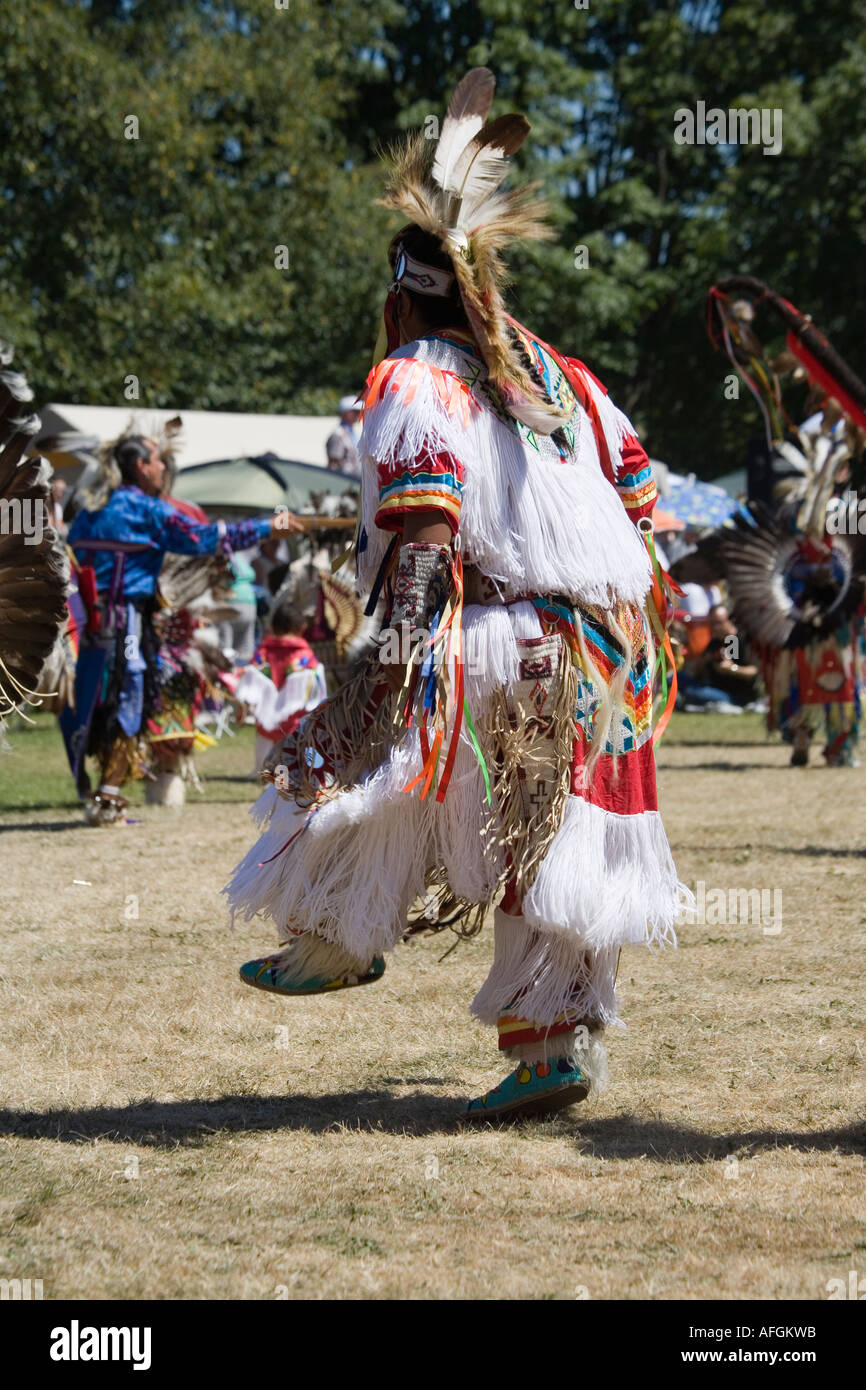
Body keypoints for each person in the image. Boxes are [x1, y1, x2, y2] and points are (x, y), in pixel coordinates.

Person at [227, 69, 686, 1122]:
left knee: (385, 765)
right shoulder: (566, 378)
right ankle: (549, 1041)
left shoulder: (412, 378)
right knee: (546, 846)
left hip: (487, 628)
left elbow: (427, 529)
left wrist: (388, 654)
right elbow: (641, 501)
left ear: (399, 294)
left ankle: (333, 941)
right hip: (598, 657)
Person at [65, 435, 303, 823]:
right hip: (127, 623)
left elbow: (75, 549)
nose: (163, 468)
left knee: (95, 700)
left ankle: (100, 791)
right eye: (158, 461)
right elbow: (202, 538)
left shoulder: (92, 508)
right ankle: (107, 798)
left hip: (88, 624)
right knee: (129, 697)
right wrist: (265, 528)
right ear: (141, 466)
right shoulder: (146, 510)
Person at [235, 599, 328, 772]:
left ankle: (265, 770)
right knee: (296, 757)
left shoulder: (263, 653)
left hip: (266, 723)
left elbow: (248, 682)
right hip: (295, 722)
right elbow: (315, 695)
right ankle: (299, 768)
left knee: (266, 763)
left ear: (274, 627)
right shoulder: (304, 656)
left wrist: (242, 709)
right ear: (301, 628)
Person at [325, 395, 362, 477]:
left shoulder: (350, 432)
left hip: (354, 482)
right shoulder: (337, 434)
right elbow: (333, 464)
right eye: (355, 411)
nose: (358, 414)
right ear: (346, 412)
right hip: (345, 484)